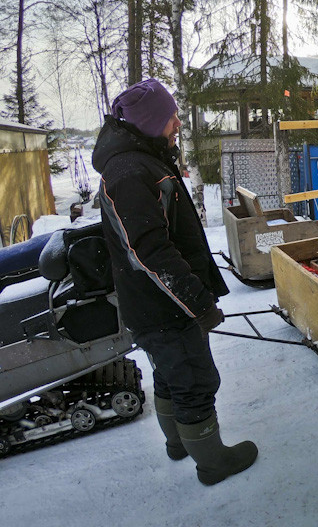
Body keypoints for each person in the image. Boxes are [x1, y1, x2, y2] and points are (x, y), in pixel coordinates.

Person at [91, 78, 258, 485]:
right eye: (171, 117)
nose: (178, 124)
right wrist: (197, 302)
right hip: (163, 306)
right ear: (150, 122)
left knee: (170, 375)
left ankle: (178, 443)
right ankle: (214, 462)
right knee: (196, 379)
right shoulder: (129, 171)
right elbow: (150, 251)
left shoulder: (143, 157)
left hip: (159, 306)